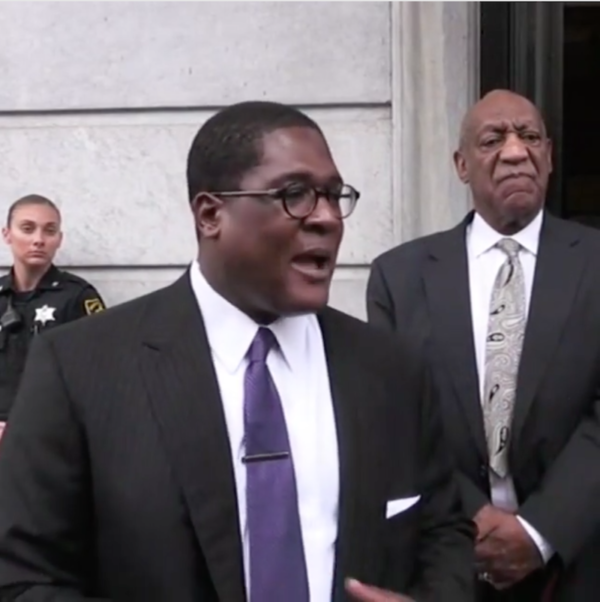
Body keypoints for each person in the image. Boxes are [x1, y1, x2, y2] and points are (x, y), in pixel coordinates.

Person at [0, 101, 474, 602]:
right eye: (296, 194)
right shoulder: (79, 368)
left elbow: (445, 533)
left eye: (335, 196)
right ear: (210, 215)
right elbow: (23, 579)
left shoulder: (392, 371)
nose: (329, 219)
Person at [366, 89, 600, 601]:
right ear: (461, 165)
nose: (516, 152)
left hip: (582, 561)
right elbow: (395, 417)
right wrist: (477, 523)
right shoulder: (399, 277)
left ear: (550, 155)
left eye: (530, 137)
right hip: (452, 567)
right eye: (493, 139)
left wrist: (541, 533)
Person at [0, 194, 105, 427]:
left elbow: (100, 373)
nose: (38, 239)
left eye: (49, 230)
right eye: (27, 229)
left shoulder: (78, 297)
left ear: (59, 239)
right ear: (6, 234)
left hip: (50, 433)